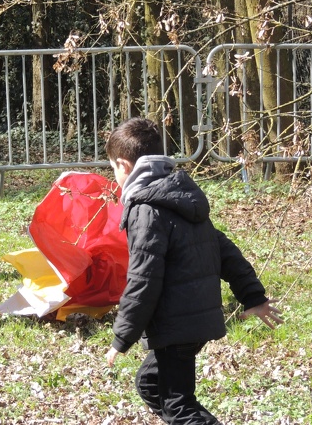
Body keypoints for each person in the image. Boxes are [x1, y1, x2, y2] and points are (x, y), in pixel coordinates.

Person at [104, 117, 283, 423]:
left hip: (176, 322)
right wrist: (253, 296)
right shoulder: (179, 194)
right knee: (150, 384)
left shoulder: (145, 208)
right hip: (194, 316)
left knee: (178, 404)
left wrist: (122, 337)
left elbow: (143, 278)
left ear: (123, 165)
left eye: (112, 169)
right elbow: (223, 248)